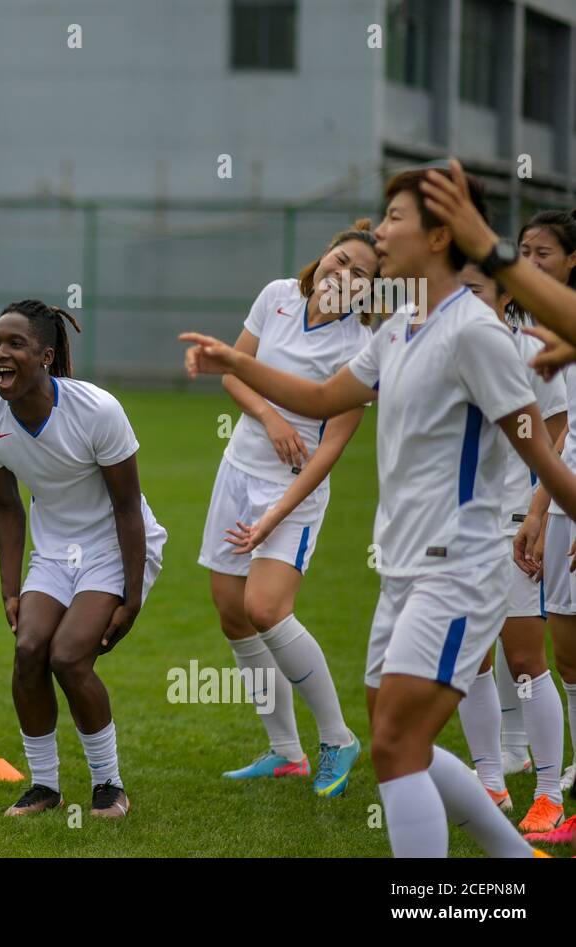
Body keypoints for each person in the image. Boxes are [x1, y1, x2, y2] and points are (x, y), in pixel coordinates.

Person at [181, 166, 575, 857]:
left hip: (458, 571)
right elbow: (324, 396)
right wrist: (231, 363)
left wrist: (555, 513)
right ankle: (517, 859)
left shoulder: (476, 335)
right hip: (400, 572)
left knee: (394, 745)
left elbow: (541, 451)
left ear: (440, 234)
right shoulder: (397, 326)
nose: (379, 231)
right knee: (402, 745)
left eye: (394, 217)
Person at [0, 299, 166, 819]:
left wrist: (132, 595)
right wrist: (9, 589)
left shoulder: (97, 410)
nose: (0, 354)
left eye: (15, 344)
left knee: (69, 656)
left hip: (115, 546)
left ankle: (109, 785)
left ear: (46, 354)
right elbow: (7, 510)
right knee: (30, 649)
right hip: (55, 552)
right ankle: (45, 787)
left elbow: (128, 509)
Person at [200, 221, 375, 796]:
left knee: (267, 607)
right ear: (323, 256)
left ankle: (337, 737)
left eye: (360, 274)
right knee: (232, 612)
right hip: (239, 469)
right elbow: (233, 370)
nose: (343, 274)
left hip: (293, 491)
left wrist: (275, 515)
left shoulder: (362, 350)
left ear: (370, 293)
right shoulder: (277, 295)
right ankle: (285, 752)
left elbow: (331, 449)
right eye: (340, 260)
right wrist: (272, 416)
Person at [456, 259, 566, 836]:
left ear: (505, 297)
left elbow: (556, 429)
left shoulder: (529, 349)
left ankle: (549, 794)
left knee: (525, 662)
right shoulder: (440, 348)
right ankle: (491, 782)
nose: (462, 298)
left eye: (475, 288)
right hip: (452, 533)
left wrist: (537, 510)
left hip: (511, 526)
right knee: (466, 661)